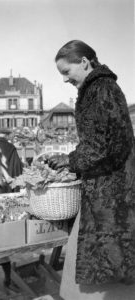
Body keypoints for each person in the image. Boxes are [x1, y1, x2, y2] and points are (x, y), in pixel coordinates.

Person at [47, 40, 135, 299]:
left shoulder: (101, 88)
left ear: (84, 62)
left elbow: (102, 144)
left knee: (107, 254)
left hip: (111, 189)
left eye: (66, 72)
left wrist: (70, 161)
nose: (64, 79)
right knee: (107, 252)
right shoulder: (99, 87)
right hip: (108, 185)